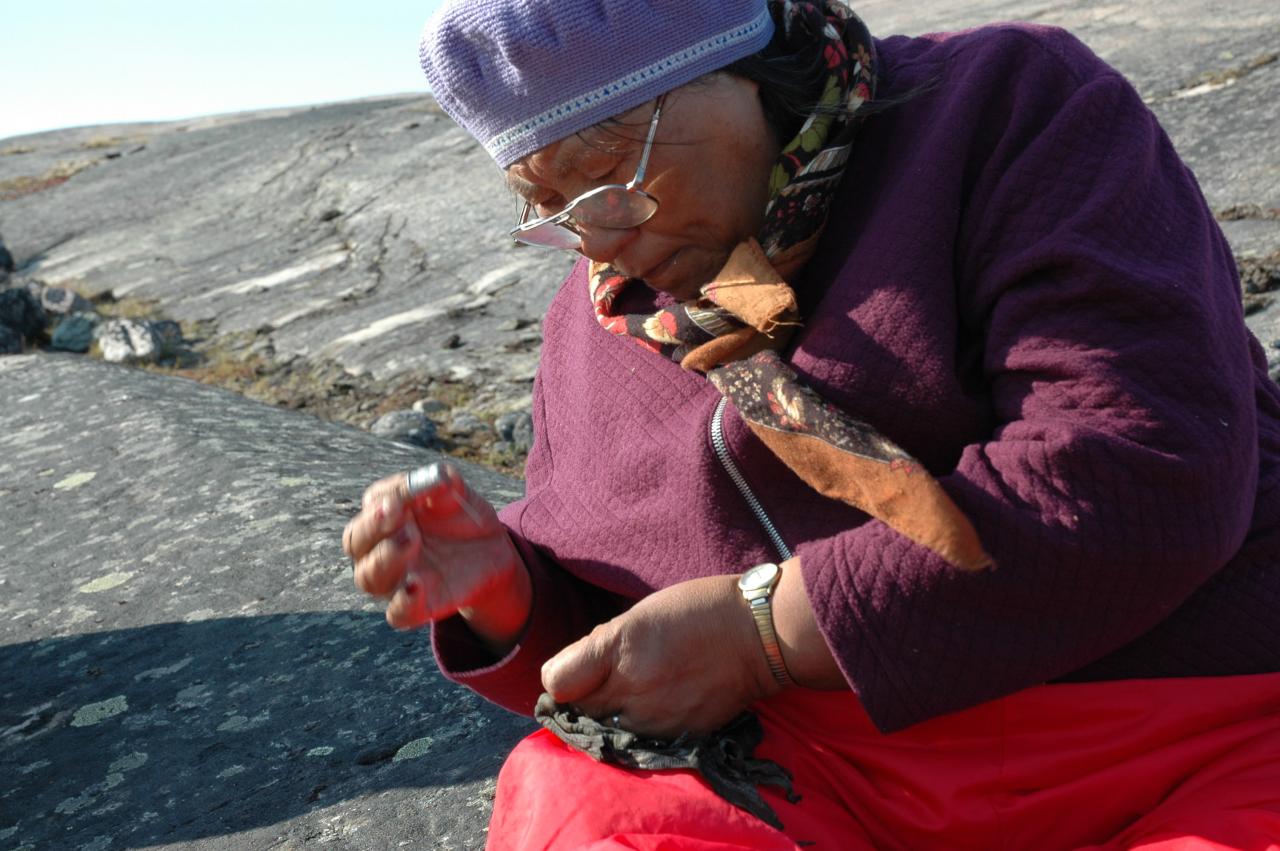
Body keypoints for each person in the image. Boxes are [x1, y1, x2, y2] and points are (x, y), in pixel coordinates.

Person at [343, 0, 1280, 847]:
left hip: (1183, 715)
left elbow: (1145, 470)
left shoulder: (1001, 106)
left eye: (603, 174)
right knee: (591, 808)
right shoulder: (599, 313)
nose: (598, 241)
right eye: (550, 207)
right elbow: (641, 638)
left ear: (740, 72)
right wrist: (512, 595)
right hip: (816, 766)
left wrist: (765, 633)